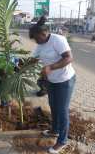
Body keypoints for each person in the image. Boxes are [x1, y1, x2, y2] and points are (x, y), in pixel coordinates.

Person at [29, 16, 76, 154]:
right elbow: (33, 60)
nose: (36, 41)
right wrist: (19, 66)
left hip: (65, 80)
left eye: (36, 38)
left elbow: (69, 58)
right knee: (53, 106)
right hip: (52, 81)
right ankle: (55, 130)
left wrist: (50, 67)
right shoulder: (40, 44)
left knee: (62, 111)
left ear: (43, 34)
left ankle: (62, 141)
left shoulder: (58, 40)